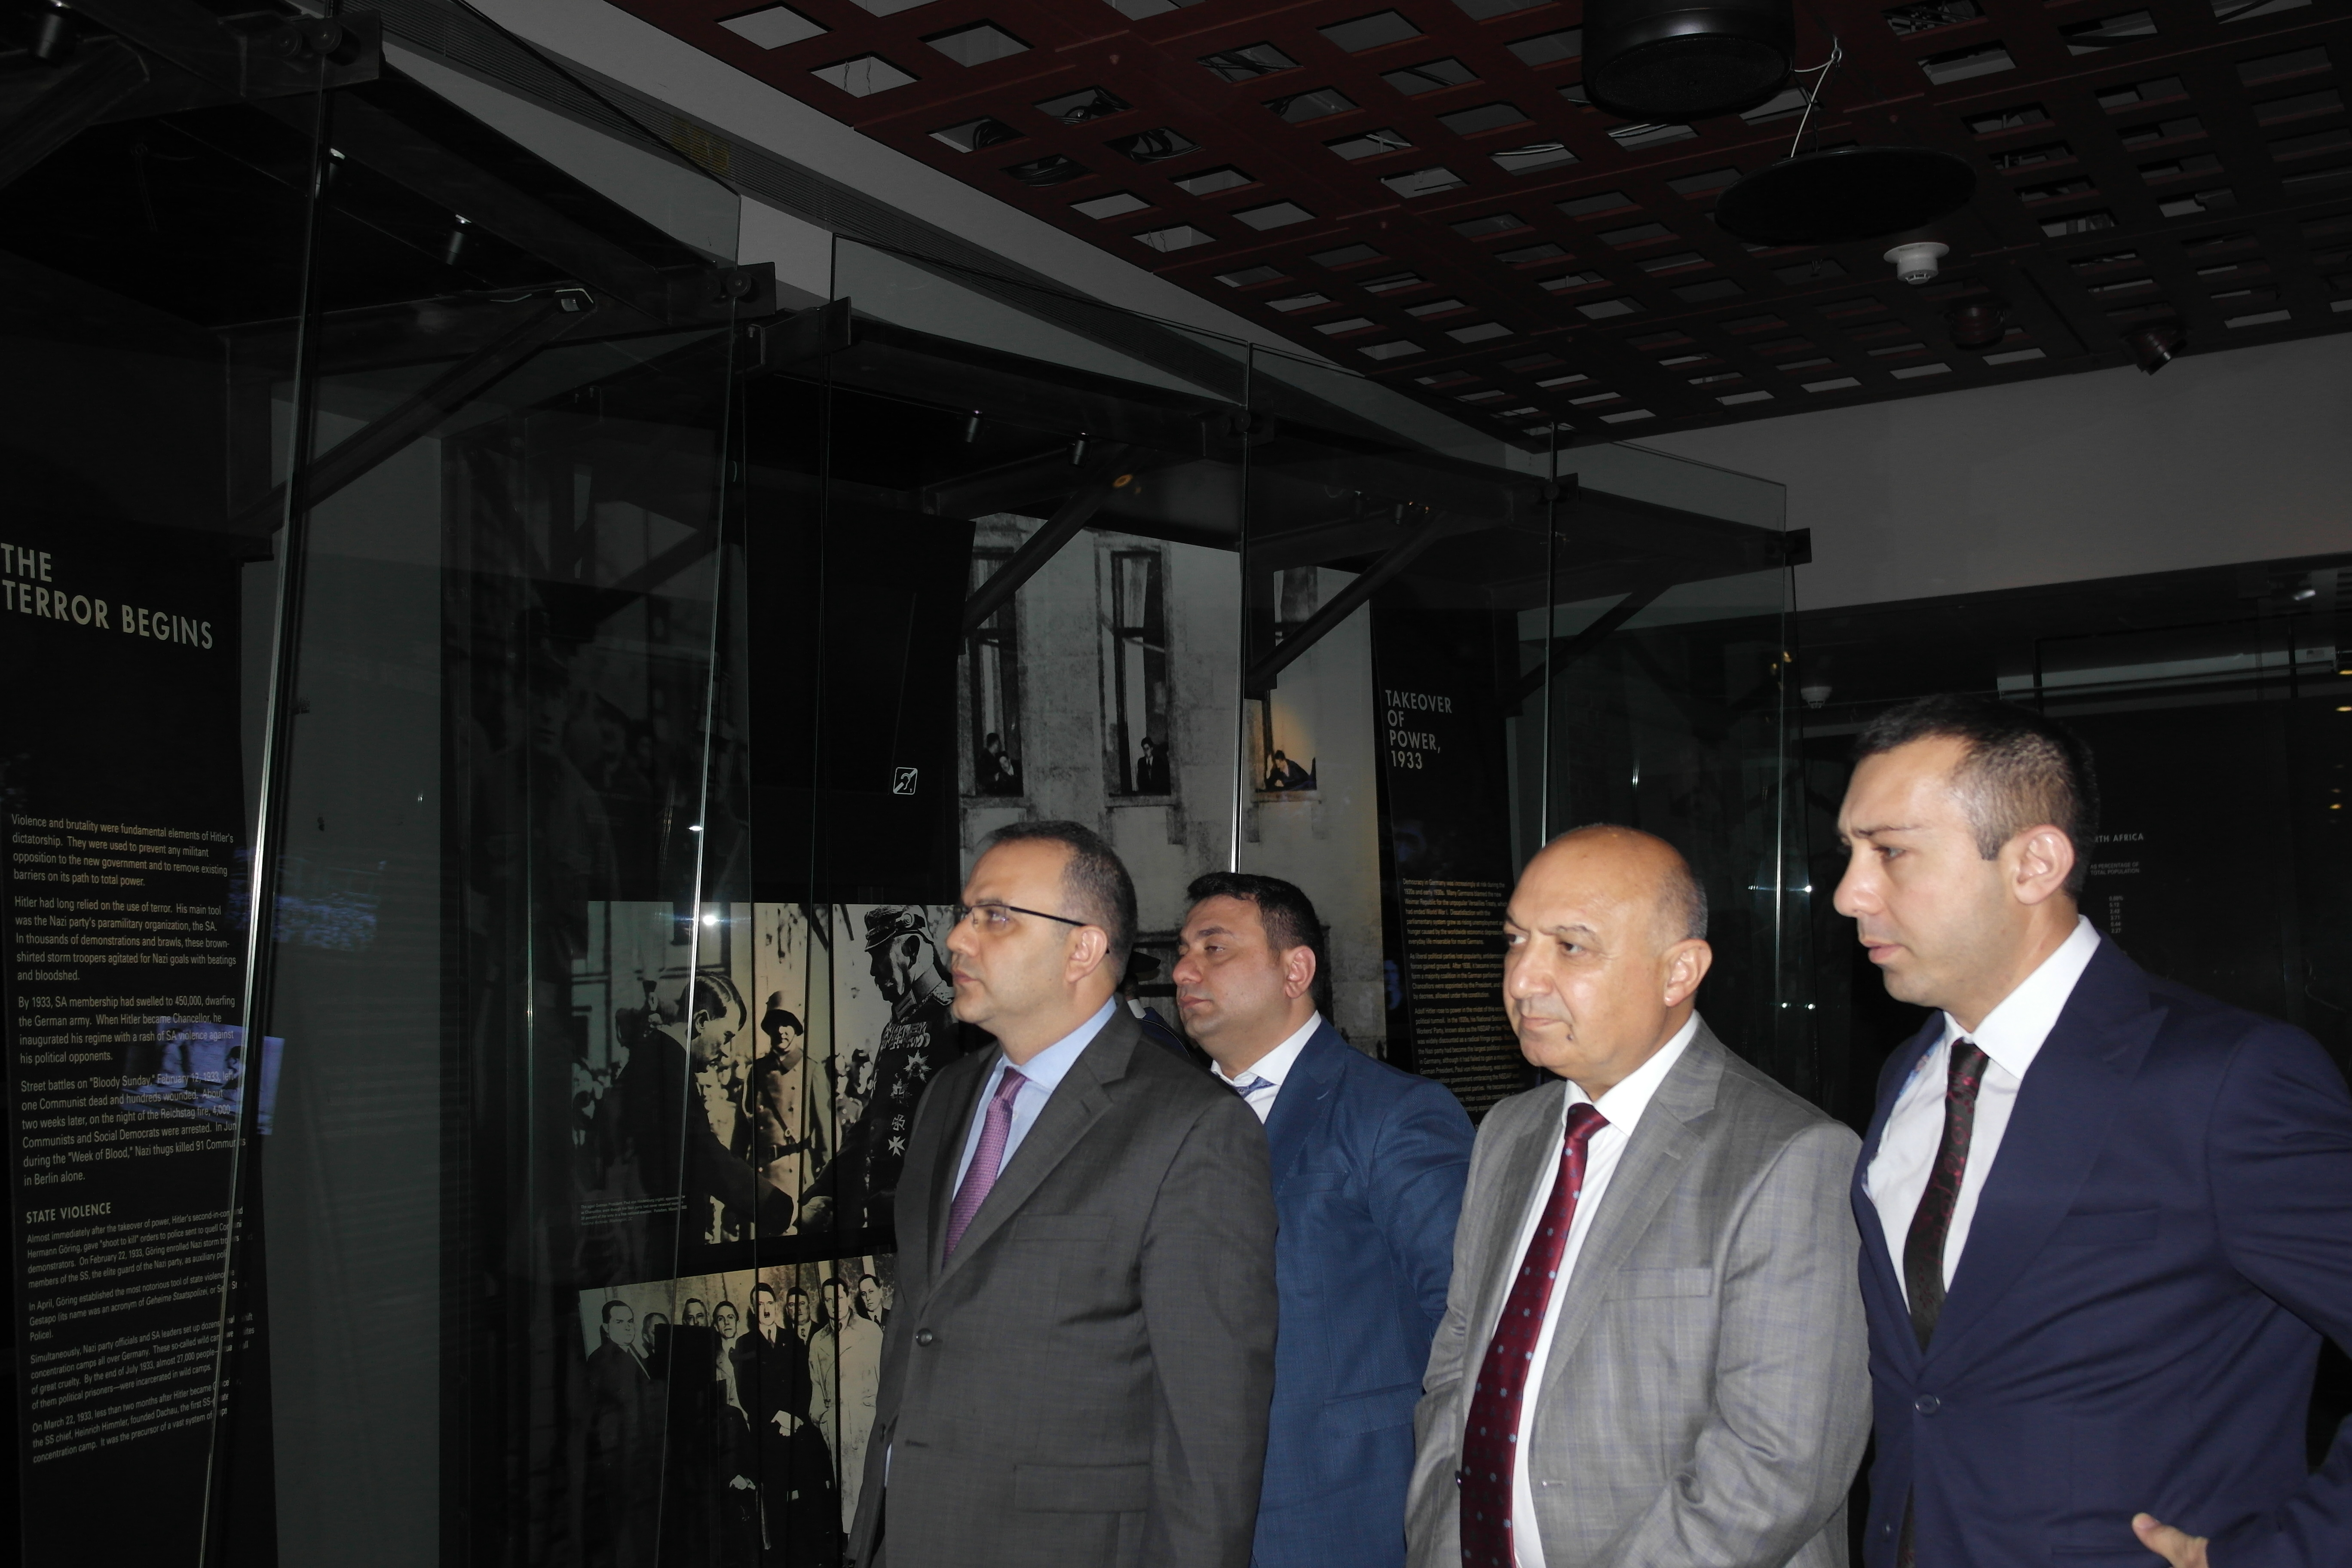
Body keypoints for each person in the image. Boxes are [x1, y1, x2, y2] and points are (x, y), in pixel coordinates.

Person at [1832, 695, 2352, 1568]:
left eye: (1890, 851)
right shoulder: (1911, 1074)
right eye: (1849, 852)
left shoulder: (2224, 1080)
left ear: (2035, 862)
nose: (1850, 892)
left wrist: (2291, 1553)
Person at [1407, 825, 1870, 1568]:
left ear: (1678, 971)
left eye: (1570, 947)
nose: (1522, 979)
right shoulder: (1509, 1132)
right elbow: (1457, 1368)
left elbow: (1776, 1465)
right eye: (1515, 941)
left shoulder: (1789, 1157)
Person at [845, 820, 1278, 1568]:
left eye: (995, 916)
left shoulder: (1190, 1128)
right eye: (965, 913)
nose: (957, 939)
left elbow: (1210, 1431)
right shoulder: (948, 1094)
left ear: (1082, 949)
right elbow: (923, 1326)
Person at [1174, 872, 1472, 1568]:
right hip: (1190, 1508)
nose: (1184, 970)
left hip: (1344, 1504)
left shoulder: (1392, 1113)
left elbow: (1462, 1317)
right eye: (1183, 952)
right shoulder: (1168, 1118)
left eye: (1214, 948)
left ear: (1295, 970)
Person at [586, 1299, 656, 1568]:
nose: (628, 1327)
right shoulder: (602, 1360)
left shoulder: (634, 1353)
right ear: (606, 1328)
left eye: (630, 1322)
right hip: (628, 1464)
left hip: (644, 1460)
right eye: (619, 1322)